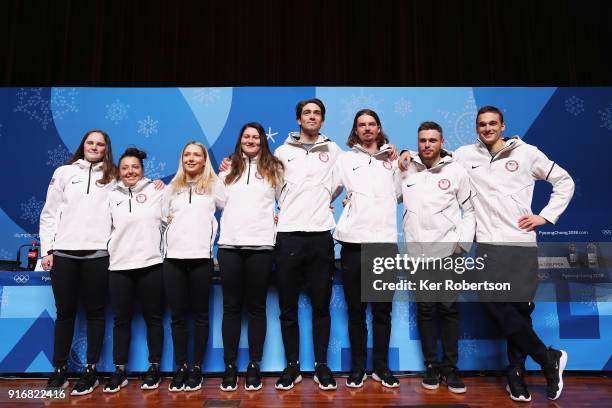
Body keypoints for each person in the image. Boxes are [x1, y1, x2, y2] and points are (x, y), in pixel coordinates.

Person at [402, 106, 574, 402]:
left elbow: (564, 181)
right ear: (476, 128)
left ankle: (515, 374)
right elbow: (434, 157)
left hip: (520, 243)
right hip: (488, 246)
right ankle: (547, 357)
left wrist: (545, 216)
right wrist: (407, 153)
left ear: (503, 126)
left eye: (493, 123)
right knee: (494, 304)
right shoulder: (466, 156)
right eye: (482, 124)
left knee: (519, 312)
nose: (487, 128)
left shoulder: (528, 153)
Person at [397, 121, 475, 394]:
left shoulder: (456, 171)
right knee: (427, 310)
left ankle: (451, 368)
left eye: (432, 140)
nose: (427, 145)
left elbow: (470, 210)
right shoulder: (406, 170)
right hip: (418, 254)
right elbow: (385, 197)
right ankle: (431, 366)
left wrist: (461, 245)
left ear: (442, 142)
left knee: (448, 310)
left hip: (448, 253)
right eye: (422, 140)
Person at [272, 98, 343, 391]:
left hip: (320, 237)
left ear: (322, 120)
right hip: (288, 235)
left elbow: (340, 183)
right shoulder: (281, 151)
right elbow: (275, 188)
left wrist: (325, 201)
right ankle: (292, 367)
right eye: (306, 113)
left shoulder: (334, 150)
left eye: (317, 113)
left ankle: (321, 366)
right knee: (287, 307)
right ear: (299, 119)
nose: (311, 117)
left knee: (321, 306)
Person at [40, 130, 116, 395]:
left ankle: (90, 370)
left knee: (96, 313)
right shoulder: (64, 173)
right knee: (65, 314)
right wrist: (47, 250)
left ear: (106, 148)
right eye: (90, 142)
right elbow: (49, 214)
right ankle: (59, 370)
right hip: (64, 255)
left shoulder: (114, 176)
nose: (94, 147)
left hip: (98, 256)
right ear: (83, 145)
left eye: (100, 144)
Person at [331, 109, 401, 389]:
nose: (367, 128)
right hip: (353, 243)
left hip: (384, 243)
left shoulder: (394, 161)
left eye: (372, 124)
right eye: (362, 125)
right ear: (356, 130)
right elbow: (326, 190)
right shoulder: (345, 160)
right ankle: (358, 367)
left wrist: (402, 156)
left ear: (379, 128)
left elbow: (402, 193)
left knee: (383, 312)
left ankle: (381, 368)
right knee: (356, 311)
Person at [216, 122, 284, 391]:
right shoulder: (228, 169)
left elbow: (285, 202)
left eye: (256, 137)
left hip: (262, 246)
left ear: (262, 141)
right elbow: (218, 203)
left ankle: (254, 365)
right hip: (230, 246)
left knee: (256, 308)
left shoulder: (274, 168)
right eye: (247, 136)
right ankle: (230, 367)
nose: (251, 140)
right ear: (240, 140)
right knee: (231, 308)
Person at [102, 148, 164, 393]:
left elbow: (172, 218)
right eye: (125, 167)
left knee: (154, 319)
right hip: (119, 266)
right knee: (121, 320)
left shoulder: (158, 191)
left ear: (143, 169)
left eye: (135, 167)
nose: (130, 171)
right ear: (119, 170)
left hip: (151, 264)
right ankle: (120, 370)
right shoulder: (110, 194)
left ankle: (154, 367)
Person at [162, 141, 222, 392]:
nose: (191, 158)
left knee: (200, 315)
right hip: (173, 259)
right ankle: (181, 367)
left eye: (197, 154)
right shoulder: (170, 188)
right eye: (187, 154)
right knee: (177, 317)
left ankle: (196, 368)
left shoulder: (215, 186)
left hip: (201, 258)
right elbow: (161, 219)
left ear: (204, 160)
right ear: (182, 158)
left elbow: (238, 207)